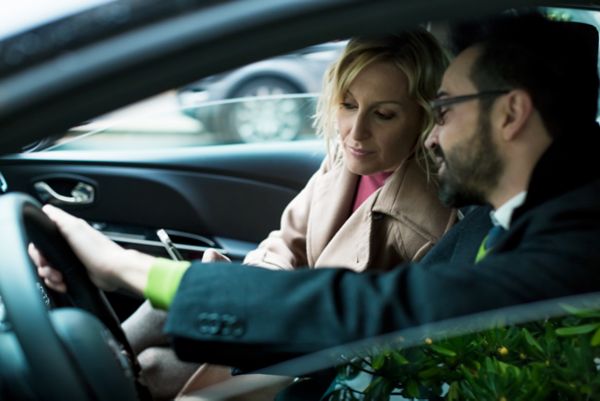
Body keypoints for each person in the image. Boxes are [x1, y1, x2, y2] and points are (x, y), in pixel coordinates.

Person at [32, 12, 600, 398]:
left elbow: (380, 311)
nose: (432, 135)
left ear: (511, 113)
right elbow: (297, 246)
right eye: (348, 105)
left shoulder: (573, 237)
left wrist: (124, 267)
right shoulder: (520, 216)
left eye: (444, 110)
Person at [120, 30, 456, 399]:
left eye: (384, 114)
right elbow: (286, 243)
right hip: (280, 326)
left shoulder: (428, 225)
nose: (356, 132)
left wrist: (250, 300)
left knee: (150, 361)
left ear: (425, 117)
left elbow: (376, 346)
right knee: (162, 310)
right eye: (347, 105)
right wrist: (248, 279)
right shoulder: (345, 161)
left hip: (310, 362)